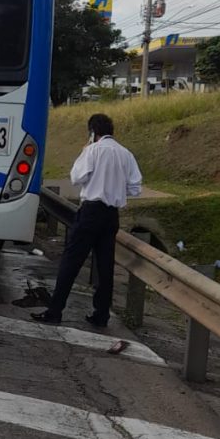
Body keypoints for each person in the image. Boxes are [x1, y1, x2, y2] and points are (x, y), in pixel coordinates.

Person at [32, 113, 142, 328]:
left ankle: (55, 311)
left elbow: (76, 178)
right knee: (105, 266)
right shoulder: (125, 153)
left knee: (71, 263)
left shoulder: (92, 150)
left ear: (93, 132)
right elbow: (135, 188)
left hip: (91, 212)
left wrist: (86, 153)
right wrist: (116, 186)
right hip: (112, 216)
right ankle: (101, 315)